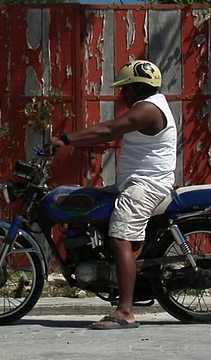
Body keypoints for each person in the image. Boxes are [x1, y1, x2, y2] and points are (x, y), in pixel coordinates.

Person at [49, 60, 177, 330]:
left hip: (148, 186)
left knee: (119, 237)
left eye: (125, 89)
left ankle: (126, 312)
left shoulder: (148, 109)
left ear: (138, 87)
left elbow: (110, 130)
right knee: (84, 202)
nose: (122, 94)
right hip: (132, 182)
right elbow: (113, 135)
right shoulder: (147, 106)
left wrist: (68, 139)